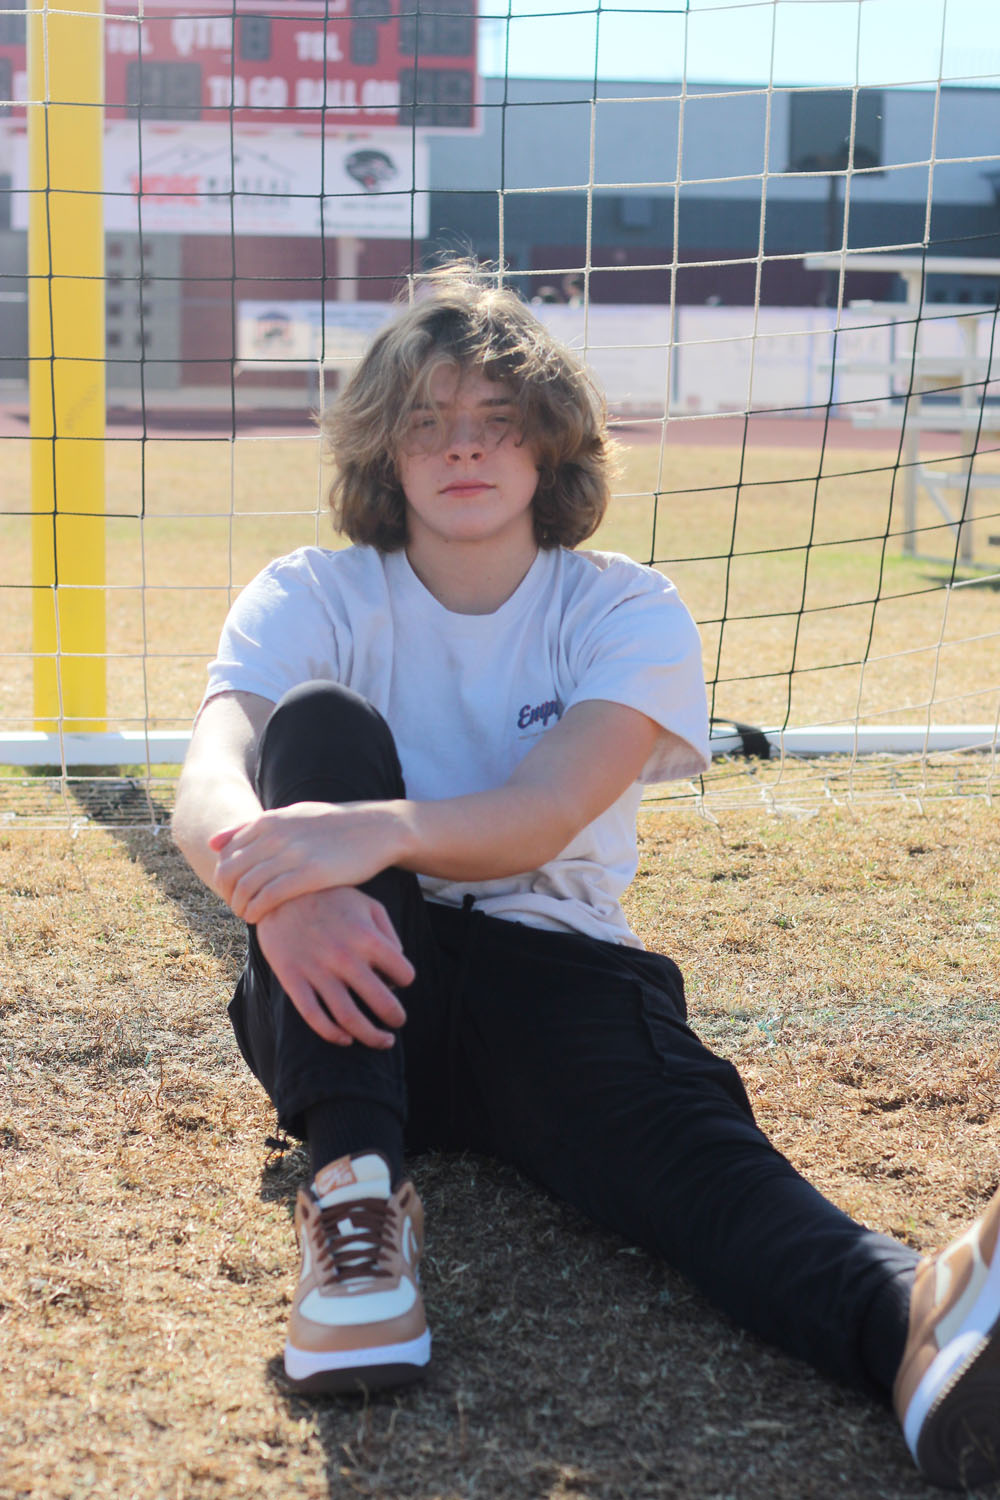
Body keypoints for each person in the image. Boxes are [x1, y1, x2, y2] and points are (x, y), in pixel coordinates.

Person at [172, 263, 1000, 1490]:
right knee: (321, 723)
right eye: (428, 422)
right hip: (344, 993)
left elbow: (542, 814)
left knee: (705, 1184)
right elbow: (211, 782)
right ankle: (356, 1221)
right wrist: (280, 890)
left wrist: (367, 835)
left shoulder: (622, 608)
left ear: (550, 446)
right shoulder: (312, 592)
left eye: (498, 422)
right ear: (381, 450)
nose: (465, 448)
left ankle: (917, 1337)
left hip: (555, 982)